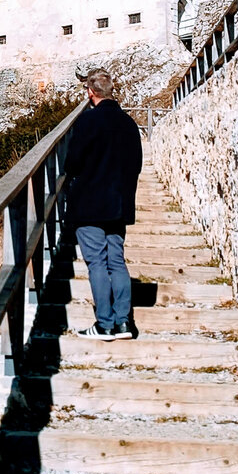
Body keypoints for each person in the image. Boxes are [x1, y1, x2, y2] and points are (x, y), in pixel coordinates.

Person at [63, 69, 143, 340]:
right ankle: (124, 323)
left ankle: (104, 324)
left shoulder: (88, 121)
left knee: (96, 262)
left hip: (89, 203)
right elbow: (137, 165)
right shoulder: (129, 124)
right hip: (119, 203)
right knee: (117, 261)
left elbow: (71, 163)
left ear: (90, 92)